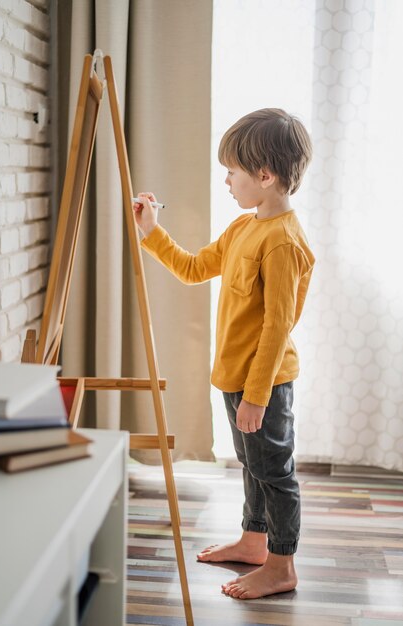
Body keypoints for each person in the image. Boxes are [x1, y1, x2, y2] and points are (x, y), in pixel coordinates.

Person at [133, 108, 315, 600]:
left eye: (232, 171)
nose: (227, 181)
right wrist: (151, 232)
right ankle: (255, 543)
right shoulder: (243, 228)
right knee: (252, 464)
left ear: (265, 175)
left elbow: (278, 327)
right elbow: (194, 269)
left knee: (275, 473)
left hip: (265, 383)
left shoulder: (282, 242)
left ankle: (282, 566)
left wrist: (257, 396)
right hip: (236, 377)